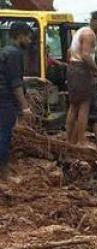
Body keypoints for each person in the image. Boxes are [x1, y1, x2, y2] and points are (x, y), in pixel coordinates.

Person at [66, 10, 97, 151]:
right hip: (81, 71)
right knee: (84, 106)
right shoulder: (88, 34)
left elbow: (69, 52)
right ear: (94, 20)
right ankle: (81, 141)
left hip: (73, 69)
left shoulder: (80, 32)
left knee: (73, 106)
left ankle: (70, 141)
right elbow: (86, 55)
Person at [0, 22, 33, 182]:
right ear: (20, 36)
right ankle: (5, 176)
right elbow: (15, 83)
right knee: (4, 135)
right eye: (28, 37)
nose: (30, 41)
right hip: (5, 100)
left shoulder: (5, 51)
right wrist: (25, 107)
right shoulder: (15, 53)